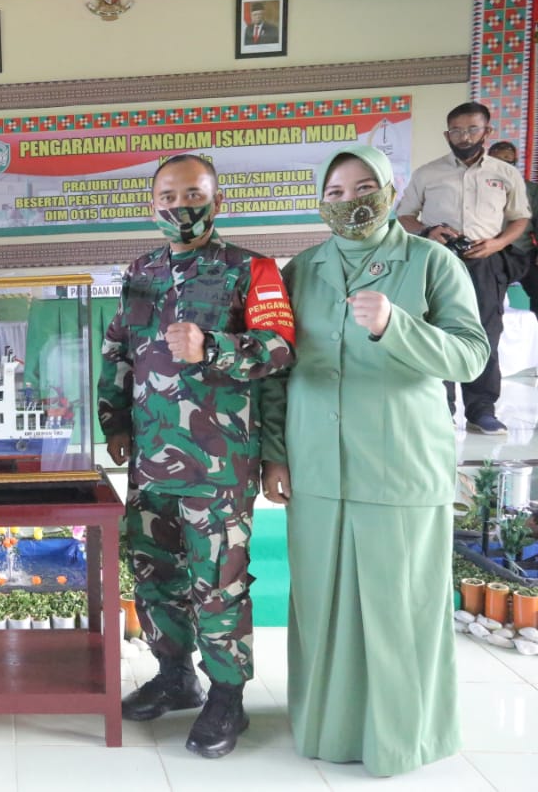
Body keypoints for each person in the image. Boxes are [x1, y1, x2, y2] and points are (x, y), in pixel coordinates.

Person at [261, 144, 488, 776]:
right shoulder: (300, 270)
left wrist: (397, 326)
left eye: (364, 188)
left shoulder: (431, 262)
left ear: (389, 191)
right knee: (323, 606)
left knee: (399, 608)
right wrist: (275, 454)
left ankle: (402, 738)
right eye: (335, 192)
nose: (350, 201)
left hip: (399, 463)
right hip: (316, 464)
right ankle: (327, 729)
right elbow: (276, 371)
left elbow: (470, 357)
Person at [97, 154, 295, 758]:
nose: (180, 206)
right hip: (151, 460)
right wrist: (114, 418)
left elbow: (281, 349)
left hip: (220, 465)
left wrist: (213, 347)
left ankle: (228, 696)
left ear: (216, 201)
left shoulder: (251, 269)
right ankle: (174, 675)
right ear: (152, 204)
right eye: (168, 196)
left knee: (219, 583)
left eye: (192, 195)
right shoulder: (141, 271)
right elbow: (117, 349)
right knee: (155, 573)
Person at [396, 102, 531, 435]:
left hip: (485, 263)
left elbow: (520, 218)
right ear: (447, 135)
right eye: (456, 130)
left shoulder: (505, 174)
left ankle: (481, 411)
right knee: (437, 332)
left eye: (472, 129)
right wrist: (428, 231)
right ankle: (441, 409)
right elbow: (404, 216)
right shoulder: (428, 173)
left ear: (486, 131)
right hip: (438, 262)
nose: (464, 136)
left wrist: (497, 243)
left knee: (485, 335)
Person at [487, 140, 538, 321]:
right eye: (499, 161)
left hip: (523, 251)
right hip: (489, 252)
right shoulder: (478, 187)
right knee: (488, 299)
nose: (504, 166)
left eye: (509, 161)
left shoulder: (530, 189)